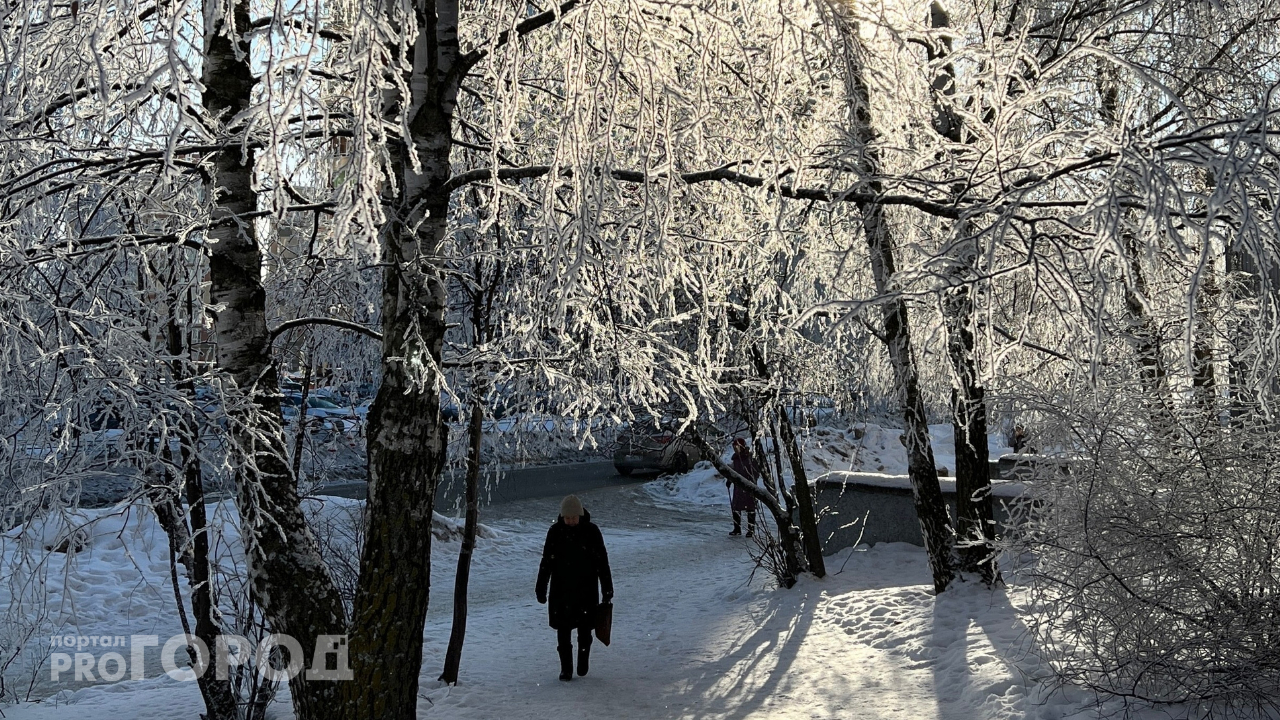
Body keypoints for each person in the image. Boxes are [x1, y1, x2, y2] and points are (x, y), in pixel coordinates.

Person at [536, 495, 613, 681]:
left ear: (580, 515)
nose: (570, 521)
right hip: (561, 590)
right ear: (562, 516)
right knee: (563, 631)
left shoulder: (592, 531)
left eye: (573, 517)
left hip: (586, 589)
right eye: (567, 518)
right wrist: (541, 587)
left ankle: (583, 661)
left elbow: (602, 562)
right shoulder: (555, 532)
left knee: (585, 630)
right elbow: (546, 562)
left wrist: (607, 588)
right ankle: (566, 669)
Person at [728, 438, 759, 537]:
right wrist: (729, 480)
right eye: (734, 447)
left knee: (750, 508)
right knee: (736, 507)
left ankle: (751, 530)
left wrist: (752, 480)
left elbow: (756, 471)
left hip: (748, 486)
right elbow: (733, 471)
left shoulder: (750, 458)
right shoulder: (735, 459)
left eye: (737, 447)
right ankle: (737, 529)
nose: (735, 449)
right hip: (738, 486)